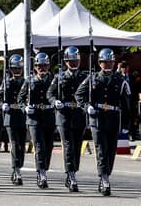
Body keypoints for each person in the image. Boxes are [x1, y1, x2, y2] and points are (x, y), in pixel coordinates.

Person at [75, 48, 131, 196]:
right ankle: (104, 178)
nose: (108, 64)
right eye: (105, 62)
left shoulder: (120, 80)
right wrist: (87, 107)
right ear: (100, 63)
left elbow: (126, 104)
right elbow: (79, 95)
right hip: (97, 118)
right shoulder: (93, 79)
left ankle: (106, 174)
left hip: (113, 119)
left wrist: (126, 124)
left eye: (110, 62)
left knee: (110, 151)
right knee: (101, 148)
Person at [46, 46, 87, 192]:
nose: (73, 63)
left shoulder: (85, 77)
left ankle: (73, 172)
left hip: (79, 115)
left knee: (76, 147)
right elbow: (49, 94)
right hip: (63, 115)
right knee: (68, 146)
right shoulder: (59, 77)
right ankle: (70, 175)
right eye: (70, 61)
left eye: (76, 61)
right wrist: (54, 102)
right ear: (65, 61)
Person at [18, 52, 55, 189]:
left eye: (44, 65)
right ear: (35, 67)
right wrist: (25, 108)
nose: (42, 68)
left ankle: (44, 167)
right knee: (39, 146)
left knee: (49, 146)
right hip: (34, 118)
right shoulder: (29, 80)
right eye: (39, 66)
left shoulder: (53, 79)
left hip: (49, 116)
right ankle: (42, 173)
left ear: (49, 66)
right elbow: (20, 99)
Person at [0, 54, 27, 185]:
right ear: (10, 69)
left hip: (23, 116)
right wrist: (2, 104)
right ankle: (16, 170)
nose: (17, 71)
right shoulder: (6, 82)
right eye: (14, 68)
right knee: (14, 144)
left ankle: (19, 166)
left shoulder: (26, 82)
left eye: (19, 68)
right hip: (10, 117)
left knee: (21, 146)